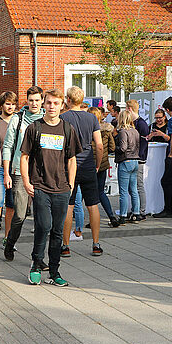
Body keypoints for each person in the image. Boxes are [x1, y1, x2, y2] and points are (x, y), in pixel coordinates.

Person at [20, 88, 80, 287]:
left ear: (62, 105)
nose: (52, 106)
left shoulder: (68, 129)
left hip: (62, 188)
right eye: (49, 103)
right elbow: (24, 157)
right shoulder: (34, 128)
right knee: (43, 227)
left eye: (56, 103)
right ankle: (36, 265)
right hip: (40, 186)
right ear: (44, 104)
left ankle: (54, 272)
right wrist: (27, 182)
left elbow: (72, 160)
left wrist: (70, 184)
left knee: (57, 230)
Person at [1, 86, 44, 261]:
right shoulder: (18, 119)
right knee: (20, 214)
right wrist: (6, 173)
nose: (34, 103)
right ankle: (10, 242)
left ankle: (38, 256)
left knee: (42, 217)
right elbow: (8, 146)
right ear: (27, 101)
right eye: (31, 100)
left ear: (42, 101)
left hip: (42, 173)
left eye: (37, 100)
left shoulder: (47, 119)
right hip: (19, 171)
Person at [60, 86, 104, 257]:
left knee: (68, 205)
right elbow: (99, 145)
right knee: (92, 205)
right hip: (88, 164)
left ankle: (65, 246)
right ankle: (96, 243)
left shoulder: (63, 118)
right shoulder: (92, 118)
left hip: (68, 165)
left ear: (68, 100)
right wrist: (97, 165)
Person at [0, 91, 17, 230]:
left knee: (12, 204)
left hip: (14, 167)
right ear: (1, 105)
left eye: (13, 104)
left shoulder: (18, 121)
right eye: (7, 104)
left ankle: (8, 238)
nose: (10, 107)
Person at [88, 107, 118, 227]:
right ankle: (111, 217)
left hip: (90, 164)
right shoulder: (107, 130)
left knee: (88, 194)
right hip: (103, 164)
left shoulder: (88, 131)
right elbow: (112, 147)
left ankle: (92, 220)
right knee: (101, 192)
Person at [115, 109, 141, 223]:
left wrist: (113, 148)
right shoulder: (135, 131)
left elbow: (123, 148)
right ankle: (136, 213)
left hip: (126, 161)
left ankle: (123, 215)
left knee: (124, 191)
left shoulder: (122, 131)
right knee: (134, 190)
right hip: (135, 161)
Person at [126, 100, 149, 219]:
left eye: (126, 108)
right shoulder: (133, 122)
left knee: (139, 185)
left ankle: (142, 211)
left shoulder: (141, 124)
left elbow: (144, 143)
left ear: (130, 109)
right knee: (132, 186)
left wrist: (139, 156)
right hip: (133, 158)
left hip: (139, 159)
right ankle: (135, 209)